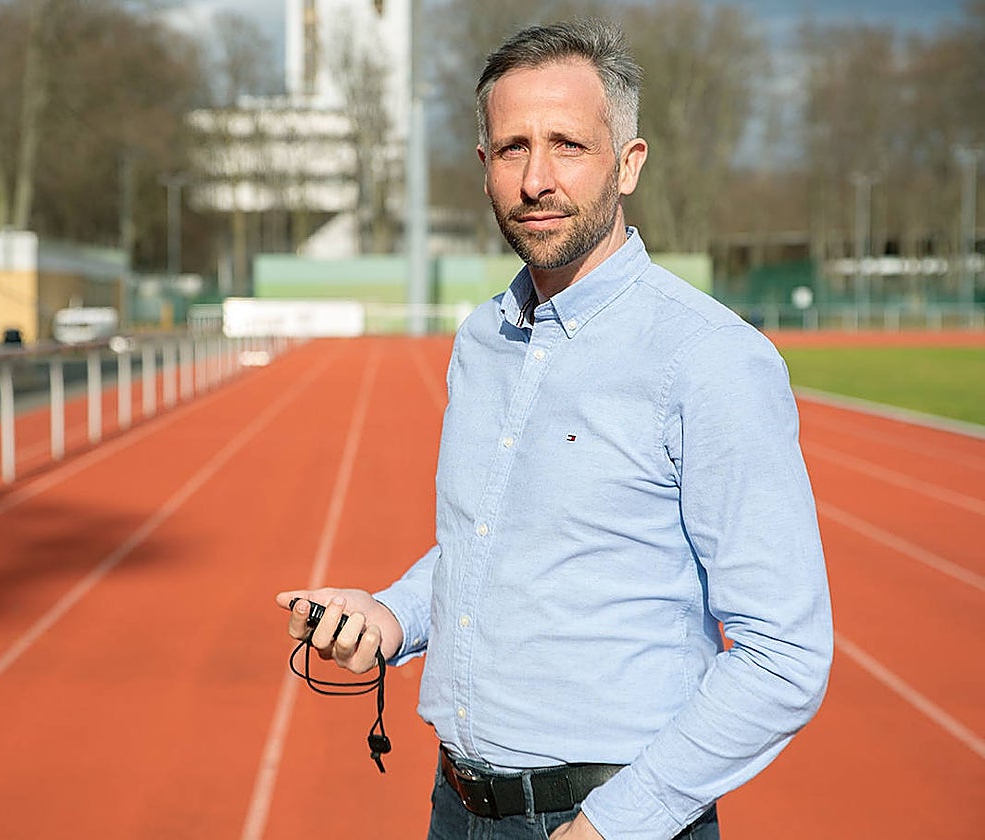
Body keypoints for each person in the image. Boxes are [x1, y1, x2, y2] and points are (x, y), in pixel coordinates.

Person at [276, 18, 832, 840]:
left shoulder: (710, 359)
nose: (536, 178)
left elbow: (784, 655)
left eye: (568, 144)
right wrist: (390, 618)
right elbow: (494, 544)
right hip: (457, 811)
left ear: (629, 163)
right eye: (512, 148)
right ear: (485, 166)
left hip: (614, 822)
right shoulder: (482, 341)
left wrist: (615, 824)